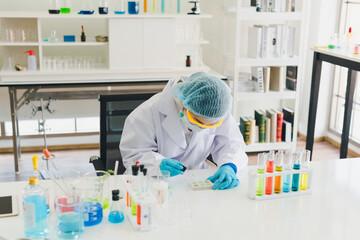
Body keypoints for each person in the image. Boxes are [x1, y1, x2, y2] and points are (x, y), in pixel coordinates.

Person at [120, 72, 248, 190]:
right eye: (197, 121)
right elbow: (134, 155)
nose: (202, 128)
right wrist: (157, 164)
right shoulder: (145, 114)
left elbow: (232, 143)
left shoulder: (218, 109)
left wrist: (230, 165)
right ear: (183, 105)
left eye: (209, 125)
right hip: (153, 182)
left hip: (195, 179)